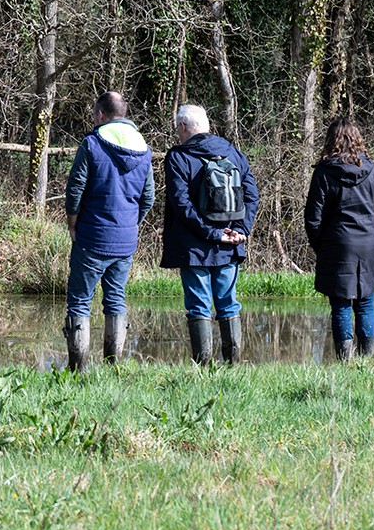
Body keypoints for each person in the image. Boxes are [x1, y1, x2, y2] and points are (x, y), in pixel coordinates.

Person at [62, 91, 155, 371]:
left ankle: (78, 368)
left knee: (80, 300)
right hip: (124, 242)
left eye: (94, 114)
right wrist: (129, 224)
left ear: (101, 115)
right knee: (115, 298)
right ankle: (113, 365)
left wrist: (72, 224)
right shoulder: (144, 148)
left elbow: (75, 189)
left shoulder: (91, 144)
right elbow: (148, 197)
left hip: (91, 237)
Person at [161, 104, 259, 364]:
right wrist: (241, 231)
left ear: (183, 127)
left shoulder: (178, 157)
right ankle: (233, 365)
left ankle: (204, 367)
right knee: (228, 303)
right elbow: (252, 195)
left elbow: (181, 204)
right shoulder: (234, 153)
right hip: (230, 245)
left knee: (198, 306)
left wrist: (212, 234)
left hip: (195, 248)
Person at [303, 117, 374, 361]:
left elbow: (312, 219)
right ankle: (365, 361)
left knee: (340, 305)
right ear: (357, 140)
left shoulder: (323, 172)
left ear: (331, 141)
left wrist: (322, 248)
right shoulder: (373, 171)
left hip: (336, 245)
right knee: (365, 303)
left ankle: (345, 361)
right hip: (368, 245)